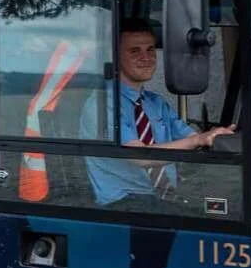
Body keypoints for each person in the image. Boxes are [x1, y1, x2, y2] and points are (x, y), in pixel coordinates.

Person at [83, 17, 234, 204]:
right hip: (123, 205)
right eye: (134, 51)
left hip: (163, 199)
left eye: (150, 49)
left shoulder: (156, 103)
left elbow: (190, 138)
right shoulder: (102, 102)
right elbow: (139, 157)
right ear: (114, 56)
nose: (146, 58)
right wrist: (197, 139)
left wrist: (214, 136)